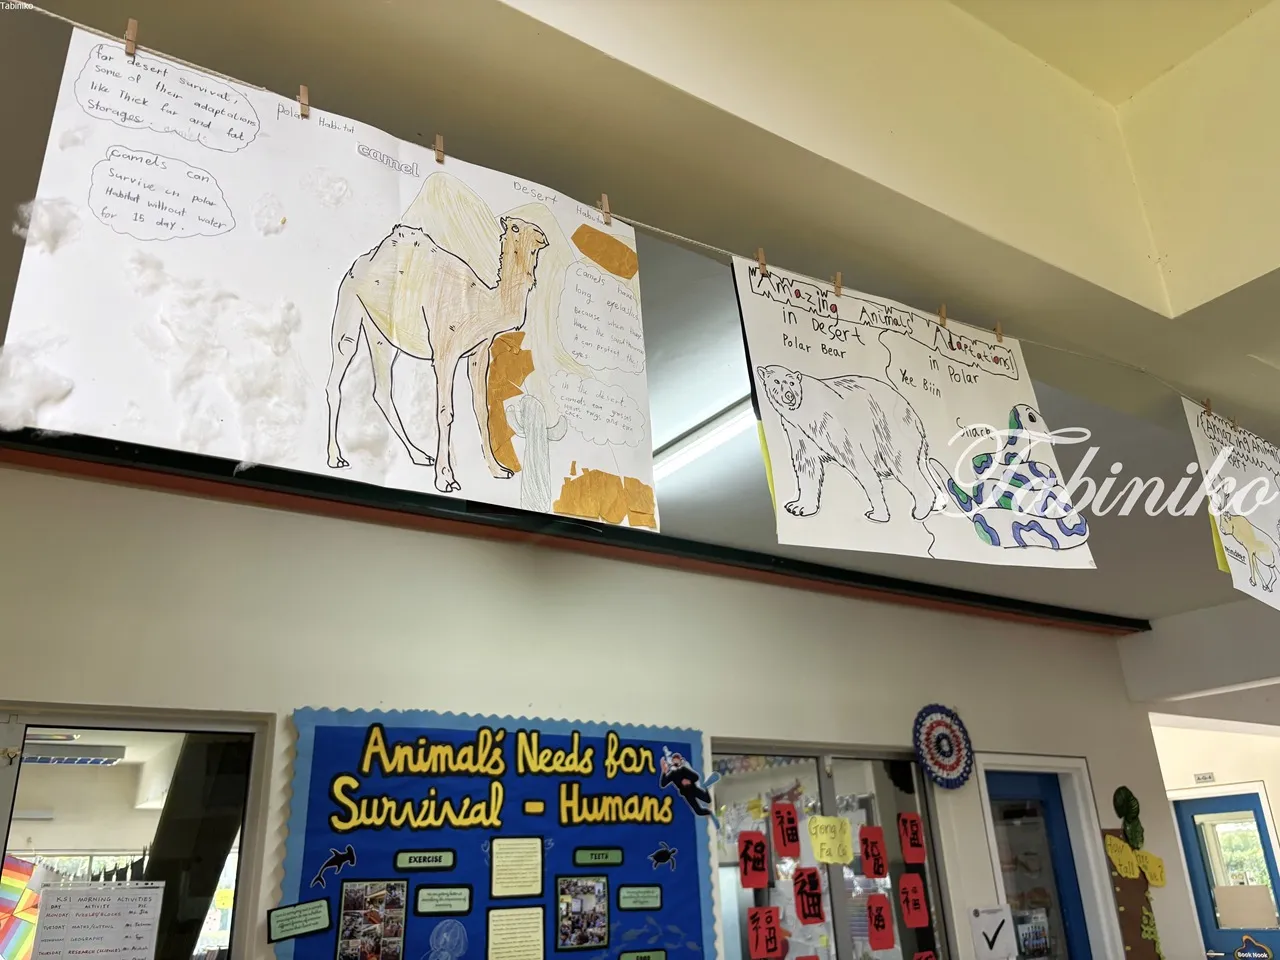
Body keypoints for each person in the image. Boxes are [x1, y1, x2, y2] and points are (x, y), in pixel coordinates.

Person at [659, 748, 721, 829]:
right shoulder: (672, 774)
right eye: (674, 762)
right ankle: (710, 813)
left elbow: (696, 777)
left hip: (693, 789)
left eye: (677, 761)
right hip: (687, 794)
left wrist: (689, 780)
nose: (676, 763)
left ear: (680, 761)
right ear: (672, 762)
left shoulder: (684, 769)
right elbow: (663, 784)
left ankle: (705, 787)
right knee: (698, 811)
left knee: (707, 800)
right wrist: (663, 772)